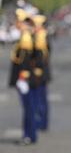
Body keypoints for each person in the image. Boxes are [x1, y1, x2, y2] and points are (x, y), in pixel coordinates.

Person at [9, 9, 37, 145]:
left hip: (24, 79)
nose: (17, 23)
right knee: (28, 107)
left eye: (18, 21)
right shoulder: (24, 35)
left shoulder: (25, 37)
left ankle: (28, 135)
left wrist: (22, 78)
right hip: (25, 78)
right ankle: (31, 134)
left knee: (28, 107)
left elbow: (25, 60)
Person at [32, 14, 51, 131]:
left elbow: (40, 57)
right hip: (43, 72)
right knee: (41, 99)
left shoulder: (40, 36)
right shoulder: (43, 35)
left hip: (40, 73)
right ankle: (43, 122)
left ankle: (41, 123)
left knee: (39, 99)